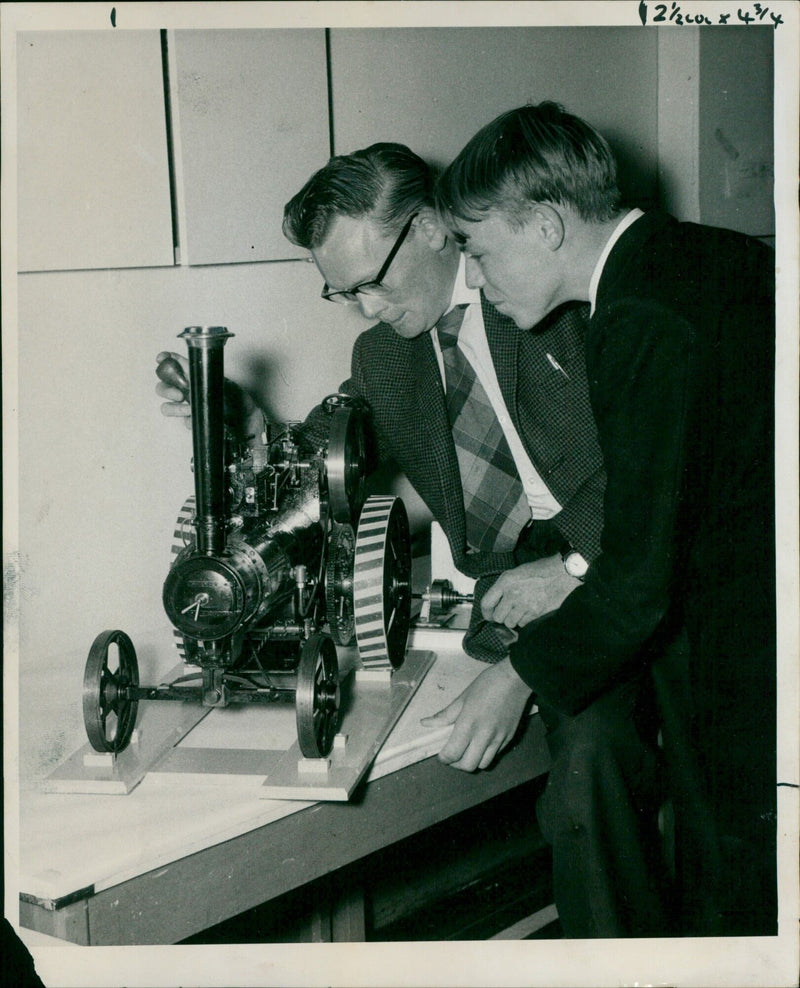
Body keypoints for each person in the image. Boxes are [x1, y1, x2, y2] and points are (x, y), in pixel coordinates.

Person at [158, 143, 674, 938]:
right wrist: (251, 425)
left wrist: (570, 568)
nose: (366, 309)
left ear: (432, 227)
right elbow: (329, 458)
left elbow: (650, 464)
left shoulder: (549, 292)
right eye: (344, 292)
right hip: (504, 590)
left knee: (590, 767)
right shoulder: (384, 355)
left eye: (373, 281)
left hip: (614, 566)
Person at [435, 101, 777, 938]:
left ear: (546, 226)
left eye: (478, 249)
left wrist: (516, 677)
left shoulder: (637, 321)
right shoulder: (711, 255)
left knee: (736, 902)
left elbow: (638, 582)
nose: (474, 279)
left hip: (742, 660)